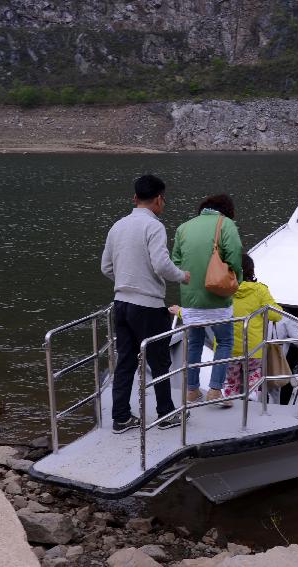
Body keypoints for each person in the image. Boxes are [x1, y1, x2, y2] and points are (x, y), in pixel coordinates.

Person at [101, 174, 191, 434]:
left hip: (121, 303)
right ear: (159, 199)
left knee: (126, 362)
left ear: (134, 198)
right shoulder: (154, 227)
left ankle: (121, 418)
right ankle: (165, 415)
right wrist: (182, 276)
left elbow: (106, 267)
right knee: (159, 362)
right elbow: (162, 265)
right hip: (148, 306)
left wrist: (125, 280)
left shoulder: (117, 226)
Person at [171, 194, 243, 405]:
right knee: (225, 341)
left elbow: (175, 261)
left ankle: (192, 391)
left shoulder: (183, 228)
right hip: (218, 298)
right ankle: (215, 390)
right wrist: (235, 278)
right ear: (226, 210)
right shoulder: (226, 224)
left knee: (194, 343)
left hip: (191, 299)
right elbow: (235, 254)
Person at [223, 254, 283, 400]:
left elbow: (206, 311)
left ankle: (230, 400)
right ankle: (252, 397)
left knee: (231, 383)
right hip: (253, 349)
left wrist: (180, 312)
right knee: (254, 373)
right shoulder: (260, 290)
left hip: (229, 349)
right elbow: (276, 315)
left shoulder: (222, 289)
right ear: (251, 270)